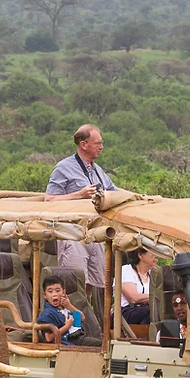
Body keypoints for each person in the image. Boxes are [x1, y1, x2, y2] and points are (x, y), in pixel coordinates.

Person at [45, 124, 119, 293]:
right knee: (75, 284)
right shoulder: (63, 167)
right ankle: (74, 319)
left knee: (95, 283)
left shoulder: (97, 170)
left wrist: (142, 198)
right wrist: (79, 194)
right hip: (72, 233)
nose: (102, 147)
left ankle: (86, 316)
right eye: (97, 143)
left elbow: (115, 192)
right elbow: (49, 199)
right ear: (84, 144)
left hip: (95, 232)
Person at [35, 276, 83, 345]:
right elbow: (48, 338)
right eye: (50, 291)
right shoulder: (47, 314)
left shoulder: (67, 307)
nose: (54, 294)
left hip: (80, 336)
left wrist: (69, 306)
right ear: (45, 295)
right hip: (69, 340)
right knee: (99, 345)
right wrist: (67, 326)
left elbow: (82, 318)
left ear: (63, 292)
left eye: (57, 291)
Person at [121, 247, 155, 325]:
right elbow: (133, 298)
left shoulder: (152, 274)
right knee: (150, 312)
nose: (156, 256)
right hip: (126, 312)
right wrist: (157, 297)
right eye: (152, 252)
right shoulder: (126, 270)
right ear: (140, 255)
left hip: (145, 310)